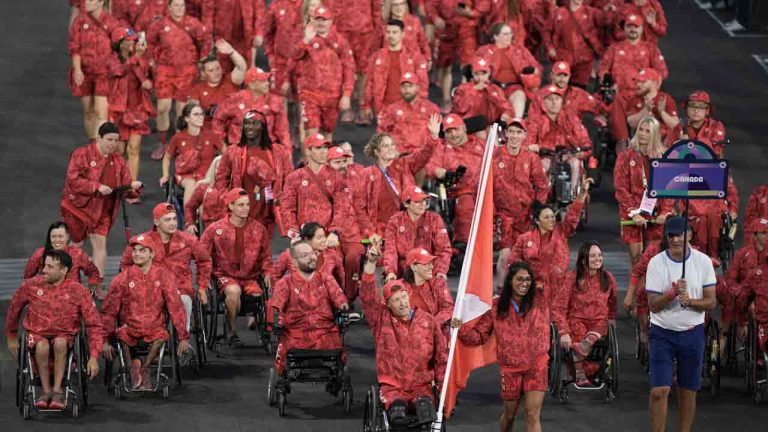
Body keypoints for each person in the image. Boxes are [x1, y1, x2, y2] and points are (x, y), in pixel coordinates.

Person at [452, 262, 549, 432]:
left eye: (527, 280)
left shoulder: (540, 300)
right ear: (510, 280)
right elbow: (479, 336)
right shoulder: (496, 307)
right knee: (509, 417)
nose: (524, 283)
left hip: (536, 366)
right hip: (510, 369)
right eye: (519, 279)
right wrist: (460, 329)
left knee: (532, 414)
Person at [359, 244, 447, 424]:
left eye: (403, 298)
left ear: (409, 296)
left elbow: (441, 358)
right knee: (398, 417)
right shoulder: (381, 319)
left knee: (426, 413)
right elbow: (368, 297)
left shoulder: (428, 321)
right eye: (395, 300)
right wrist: (371, 263)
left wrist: (442, 386)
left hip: (421, 387)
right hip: (393, 387)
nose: (402, 303)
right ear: (388, 304)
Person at [645, 216, 717, 432]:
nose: (675, 239)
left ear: (690, 235)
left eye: (680, 235)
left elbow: (711, 301)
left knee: (687, 391)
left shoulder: (703, 262)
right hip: (662, 334)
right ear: (666, 237)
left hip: (692, 334)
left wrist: (690, 301)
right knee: (659, 391)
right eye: (671, 235)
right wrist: (672, 293)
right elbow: (653, 305)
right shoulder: (656, 263)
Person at [6, 250, 102, 409]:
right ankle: (46, 391)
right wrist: (11, 336)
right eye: (44, 266)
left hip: (66, 335)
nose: (43, 270)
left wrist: (93, 356)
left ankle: (58, 391)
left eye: (50, 267)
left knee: (60, 343)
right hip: (36, 334)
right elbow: (13, 312)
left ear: (64, 270)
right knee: (42, 346)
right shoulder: (30, 286)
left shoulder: (78, 291)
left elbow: (94, 324)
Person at [101, 235, 190, 390]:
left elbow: (176, 307)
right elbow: (109, 311)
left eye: (142, 251)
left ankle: (146, 368)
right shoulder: (122, 279)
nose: (136, 254)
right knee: (121, 334)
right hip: (129, 328)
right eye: (134, 250)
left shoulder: (164, 276)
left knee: (162, 336)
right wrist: (105, 341)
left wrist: (183, 336)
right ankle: (131, 371)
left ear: (152, 254)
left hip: (155, 328)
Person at [60, 122, 143, 278]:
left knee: (100, 245)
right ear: (99, 138)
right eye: (109, 140)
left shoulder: (119, 161)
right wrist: (95, 186)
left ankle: (97, 284)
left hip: (103, 211)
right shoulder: (81, 154)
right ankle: (70, 280)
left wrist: (133, 187)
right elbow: (73, 180)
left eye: (116, 140)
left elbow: (126, 186)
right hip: (77, 208)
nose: (113, 144)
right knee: (77, 245)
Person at [119, 203, 212, 335]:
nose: (173, 223)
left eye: (174, 219)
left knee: (184, 301)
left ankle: (183, 339)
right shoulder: (142, 241)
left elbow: (205, 260)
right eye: (167, 220)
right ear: (156, 222)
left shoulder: (188, 240)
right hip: (151, 288)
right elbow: (126, 264)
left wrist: (202, 287)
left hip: (180, 288)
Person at [200, 188, 273, 347]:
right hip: (225, 274)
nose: (246, 208)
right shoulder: (214, 229)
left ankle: (259, 325)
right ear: (230, 206)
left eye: (247, 204)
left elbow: (266, 256)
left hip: (251, 277)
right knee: (234, 291)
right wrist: (204, 282)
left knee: (258, 296)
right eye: (240, 205)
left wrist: (267, 273)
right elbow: (203, 258)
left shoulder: (259, 229)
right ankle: (232, 332)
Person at [271, 240, 349, 375]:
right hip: (295, 335)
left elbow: (341, 300)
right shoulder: (285, 283)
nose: (311, 257)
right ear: (294, 262)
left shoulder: (327, 279)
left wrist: (343, 307)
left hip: (326, 333)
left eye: (312, 253)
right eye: (304, 255)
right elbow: (275, 308)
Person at [357, 117, 441, 242]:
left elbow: (423, 154)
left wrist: (433, 136)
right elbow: (360, 208)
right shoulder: (366, 174)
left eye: (392, 144)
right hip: (382, 232)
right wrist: (370, 233)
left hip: (409, 227)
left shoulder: (405, 164)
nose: (391, 148)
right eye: (385, 146)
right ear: (376, 151)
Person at [147, 0, 211, 160]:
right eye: (175, 5)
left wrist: (201, 61)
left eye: (181, 5)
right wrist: (154, 60)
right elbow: (150, 41)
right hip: (165, 70)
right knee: (163, 107)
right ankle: (162, 142)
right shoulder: (160, 24)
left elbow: (206, 41)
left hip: (187, 71)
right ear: (168, 7)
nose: (179, 8)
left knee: (182, 109)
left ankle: (178, 144)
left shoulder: (193, 23)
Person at [503, 178, 590, 296]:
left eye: (552, 217)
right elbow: (513, 263)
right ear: (537, 221)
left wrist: (582, 194)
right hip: (532, 291)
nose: (551, 220)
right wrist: (525, 283)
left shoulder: (561, 231)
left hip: (559, 290)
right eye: (547, 217)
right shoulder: (524, 239)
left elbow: (572, 216)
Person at [215, 110, 292, 235]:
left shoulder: (278, 151)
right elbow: (220, 179)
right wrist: (228, 199)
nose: (249, 127)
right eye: (247, 123)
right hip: (242, 210)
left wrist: (282, 201)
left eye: (254, 123)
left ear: (262, 127)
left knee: (263, 246)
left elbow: (290, 179)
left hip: (268, 209)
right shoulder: (232, 152)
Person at [283, 6, 355, 138]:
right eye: (318, 19)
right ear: (312, 20)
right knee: (312, 133)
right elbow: (293, 57)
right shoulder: (304, 39)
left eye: (324, 20)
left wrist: (347, 95)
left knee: (327, 133)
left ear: (331, 21)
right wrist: (306, 40)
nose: (321, 23)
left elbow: (349, 68)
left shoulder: (340, 42)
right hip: (309, 93)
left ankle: (326, 158)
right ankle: (309, 159)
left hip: (332, 95)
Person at [552, 241, 617, 386]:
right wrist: (563, 332)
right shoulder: (572, 278)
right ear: (583, 260)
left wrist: (612, 318)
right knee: (577, 332)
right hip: (576, 320)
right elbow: (558, 307)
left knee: (591, 337)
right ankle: (581, 373)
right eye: (592, 256)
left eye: (599, 255)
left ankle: (581, 354)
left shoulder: (608, 278)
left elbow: (613, 301)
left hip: (599, 322)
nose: (597, 259)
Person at [599, 13, 668, 144]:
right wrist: (608, 82)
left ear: (642, 29)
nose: (632, 29)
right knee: (615, 104)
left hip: (643, 95)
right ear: (624, 28)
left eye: (636, 26)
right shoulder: (614, 49)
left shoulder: (650, 49)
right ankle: (622, 142)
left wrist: (651, 87)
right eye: (629, 26)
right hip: (620, 94)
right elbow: (603, 70)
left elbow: (662, 72)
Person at [613, 116, 673, 266]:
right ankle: (637, 290)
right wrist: (634, 212)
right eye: (640, 129)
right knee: (637, 259)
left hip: (656, 214)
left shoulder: (663, 157)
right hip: (632, 213)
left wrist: (665, 211)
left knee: (653, 259)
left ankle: (650, 289)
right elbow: (621, 189)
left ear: (655, 134)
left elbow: (669, 188)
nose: (642, 134)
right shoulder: (625, 156)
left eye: (647, 131)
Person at [493, 119, 549, 262]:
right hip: (502, 214)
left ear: (524, 135)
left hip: (525, 215)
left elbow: (542, 185)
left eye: (519, 132)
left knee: (526, 255)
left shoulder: (531, 158)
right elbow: (485, 185)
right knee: (505, 256)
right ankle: (501, 285)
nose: (514, 136)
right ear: (506, 133)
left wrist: (538, 208)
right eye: (511, 131)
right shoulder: (494, 156)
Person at [280, 133, 352, 242]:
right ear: (308, 151)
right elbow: (287, 208)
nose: (324, 151)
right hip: (303, 238)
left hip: (328, 239)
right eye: (318, 148)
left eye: (325, 147)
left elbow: (342, 207)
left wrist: (335, 232)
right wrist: (294, 234)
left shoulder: (336, 177)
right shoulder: (294, 178)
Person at [425, 114, 485, 244]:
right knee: (466, 205)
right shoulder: (441, 147)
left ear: (464, 128)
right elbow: (431, 167)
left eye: (456, 129)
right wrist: (445, 173)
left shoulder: (479, 144)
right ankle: (464, 245)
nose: (453, 134)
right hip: (461, 192)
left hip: (487, 190)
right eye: (449, 131)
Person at [68, 0, 123, 139]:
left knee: (100, 112)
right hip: (85, 73)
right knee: (88, 112)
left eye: (91, 0)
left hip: (103, 73)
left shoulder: (111, 22)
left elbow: (119, 46)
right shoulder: (79, 22)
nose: (86, 3)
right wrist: (78, 70)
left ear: (101, 2)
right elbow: (75, 48)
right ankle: (93, 144)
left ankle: (101, 147)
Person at [107, 27, 155, 181]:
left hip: (137, 109)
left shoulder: (140, 58)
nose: (133, 42)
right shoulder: (111, 60)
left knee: (134, 149)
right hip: (119, 110)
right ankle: (117, 181)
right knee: (119, 150)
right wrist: (136, 58)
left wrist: (148, 82)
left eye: (134, 40)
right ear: (120, 43)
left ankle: (131, 186)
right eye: (129, 40)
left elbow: (148, 75)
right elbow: (119, 71)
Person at [324, 0, 382, 123]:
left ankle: (363, 107)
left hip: (365, 30)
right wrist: (331, 28)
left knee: (364, 70)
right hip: (342, 30)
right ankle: (346, 107)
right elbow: (328, 5)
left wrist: (377, 28)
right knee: (343, 69)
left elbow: (376, 6)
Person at [525, 85, 592, 187]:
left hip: (569, 155)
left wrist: (582, 151)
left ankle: (573, 196)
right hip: (545, 156)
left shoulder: (571, 119)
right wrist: (532, 147)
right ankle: (542, 196)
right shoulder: (536, 121)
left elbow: (584, 140)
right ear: (543, 102)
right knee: (544, 164)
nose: (554, 102)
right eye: (550, 99)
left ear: (562, 101)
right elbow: (528, 141)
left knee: (575, 163)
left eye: (557, 99)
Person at [363, 19, 429, 120]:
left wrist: (419, 105)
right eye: (388, 32)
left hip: (408, 107)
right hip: (383, 108)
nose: (391, 35)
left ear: (402, 34)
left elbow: (423, 83)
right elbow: (369, 82)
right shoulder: (377, 56)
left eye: (395, 32)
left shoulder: (415, 57)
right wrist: (366, 105)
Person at [383, 186, 452, 280]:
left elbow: (443, 249)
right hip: (402, 273)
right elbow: (390, 250)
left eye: (424, 200)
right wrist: (390, 272)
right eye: (417, 201)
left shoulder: (434, 219)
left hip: (428, 272)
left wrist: (440, 271)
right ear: (406, 204)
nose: (422, 204)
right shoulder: (395, 221)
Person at [213, 67, 293, 149]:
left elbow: (283, 131)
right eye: (263, 81)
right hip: (238, 150)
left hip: (265, 150)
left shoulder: (275, 101)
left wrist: (287, 152)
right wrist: (221, 144)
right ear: (251, 85)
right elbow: (218, 119)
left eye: (267, 80)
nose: (267, 83)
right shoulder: (235, 100)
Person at [161, 102, 224, 204]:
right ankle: (189, 218)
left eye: (201, 114)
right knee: (191, 184)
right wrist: (165, 175)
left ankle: (202, 218)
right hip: (186, 175)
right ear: (186, 118)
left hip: (206, 175)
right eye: (196, 114)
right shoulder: (178, 137)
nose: (200, 117)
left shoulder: (211, 135)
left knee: (202, 186)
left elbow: (226, 154)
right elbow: (167, 157)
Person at [475, 23, 542, 119]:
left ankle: (516, 123)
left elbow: (536, 66)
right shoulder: (484, 50)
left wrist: (534, 71)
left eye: (510, 33)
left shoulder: (520, 50)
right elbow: (474, 69)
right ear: (495, 37)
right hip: (493, 87)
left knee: (519, 95)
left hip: (514, 87)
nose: (509, 36)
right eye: (505, 34)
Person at [326, 146, 367, 302]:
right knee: (331, 261)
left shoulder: (357, 178)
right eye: (337, 162)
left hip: (354, 233)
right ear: (328, 163)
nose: (343, 165)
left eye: (344, 161)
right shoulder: (323, 182)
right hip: (328, 233)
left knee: (353, 257)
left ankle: (348, 298)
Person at [544, 0, 615, 89]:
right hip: (563, 58)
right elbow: (546, 31)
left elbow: (604, 21)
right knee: (560, 89)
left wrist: (607, 11)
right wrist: (550, 48)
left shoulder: (590, 12)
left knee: (579, 92)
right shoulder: (558, 12)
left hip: (584, 62)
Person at [24, 221, 103, 294]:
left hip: (72, 297)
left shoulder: (78, 254)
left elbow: (93, 272)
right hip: (48, 297)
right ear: (49, 238)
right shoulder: (40, 254)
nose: (57, 240)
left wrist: (91, 291)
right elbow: (28, 275)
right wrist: (35, 293)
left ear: (67, 236)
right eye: (53, 237)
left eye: (60, 236)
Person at [186, 40, 247, 130]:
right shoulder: (197, 90)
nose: (216, 73)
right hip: (211, 129)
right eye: (211, 70)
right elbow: (192, 112)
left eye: (218, 68)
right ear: (203, 73)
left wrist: (232, 52)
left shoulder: (230, 79)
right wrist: (207, 112)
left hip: (234, 126)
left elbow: (242, 68)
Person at [376, 72, 441, 154]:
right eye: (403, 86)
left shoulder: (431, 109)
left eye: (410, 86)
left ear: (417, 87)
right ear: (399, 88)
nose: (407, 90)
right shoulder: (392, 110)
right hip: (399, 155)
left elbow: (439, 136)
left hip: (424, 155)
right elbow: (381, 131)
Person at [271, 222, 345, 292]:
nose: (324, 240)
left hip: (324, 301)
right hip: (297, 299)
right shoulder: (290, 254)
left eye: (324, 236)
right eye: (319, 238)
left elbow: (340, 278)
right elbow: (275, 274)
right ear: (307, 239)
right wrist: (280, 293)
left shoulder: (331, 255)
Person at [728, 219, 768, 342]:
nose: (767, 236)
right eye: (764, 232)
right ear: (755, 235)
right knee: (752, 306)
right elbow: (730, 279)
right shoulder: (742, 254)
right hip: (747, 295)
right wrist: (738, 290)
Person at [529, 61, 609, 121]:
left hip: (572, 138)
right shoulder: (541, 95)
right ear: (552, 76)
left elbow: (599, 108)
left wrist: (605, 99)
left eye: (565, 75)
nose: (562, 79)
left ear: (569, 76)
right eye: (559, 75)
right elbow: (532, 119)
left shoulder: (578, 94)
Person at [451, 57, 514, 127]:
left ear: (489, 73)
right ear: (472, 73)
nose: (480, 78)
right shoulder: (463, 88)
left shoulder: (495, 89)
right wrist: (474, 90)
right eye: (477, 74)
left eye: (483, 74)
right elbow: (460, 108)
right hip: (466, 126)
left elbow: (506, 106)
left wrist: (506, 114)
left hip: (491, 125)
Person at [625, 68, 679, 142]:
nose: (638, 84)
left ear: (653, 82)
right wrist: (646, 109)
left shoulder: (665, 99)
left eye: (642, 81)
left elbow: (675, 125)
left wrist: (662, 112)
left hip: (663, 142)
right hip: (641, 142)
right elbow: (632, 124)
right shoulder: (633, 100)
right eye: (637, 81)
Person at [666, 91, 727, 156]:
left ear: (707, 111)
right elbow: (669, 151)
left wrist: (689, 145)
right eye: (692, 106)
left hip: (709, 164)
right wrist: (678, 145)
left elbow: (717, 152)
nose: (696, 111)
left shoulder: (716, 126)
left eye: (701, 107)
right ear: (687, 108)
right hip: (683, 164)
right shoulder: (679, 127)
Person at [263, 0, 304, 96]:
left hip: (303, 63)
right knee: (279, 99)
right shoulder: (276, 5)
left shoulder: (309, 4)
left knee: (305, 101)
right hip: (281, 63)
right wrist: (270, 56)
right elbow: (267, 34)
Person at [210, 0, 266, 69]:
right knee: (222, 71)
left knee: (246, 70)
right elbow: (208, 11)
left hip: (246, 39)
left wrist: (259, 33)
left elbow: (260, 9)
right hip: (222, 37)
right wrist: (208, 36)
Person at [184, 156, 225, 235]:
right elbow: (189, 206)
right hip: (209, 230)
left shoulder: (235, 188)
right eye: (218, 168)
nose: (220, 171)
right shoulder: (203, 187)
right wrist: (190, 224)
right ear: (213, 169)